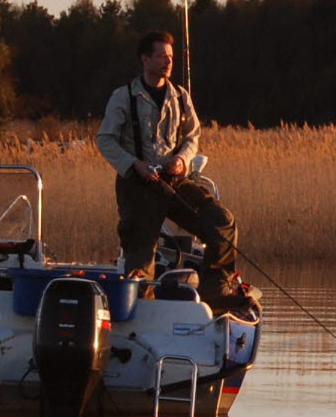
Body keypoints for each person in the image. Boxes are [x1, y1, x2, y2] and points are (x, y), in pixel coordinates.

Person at [95, 32, 258, 319]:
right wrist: (135, 165)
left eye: (170, 57)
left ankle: (216, 292)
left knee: (222, 223)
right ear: (145, 59)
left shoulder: (180, 96)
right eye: (161, 56)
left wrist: (181, 160)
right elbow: (105, 140)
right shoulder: (123, 97)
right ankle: (141, 311)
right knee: (140, 253)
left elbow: (192, 136)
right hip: (138, 185)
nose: (168, 62)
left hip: (174, 183)